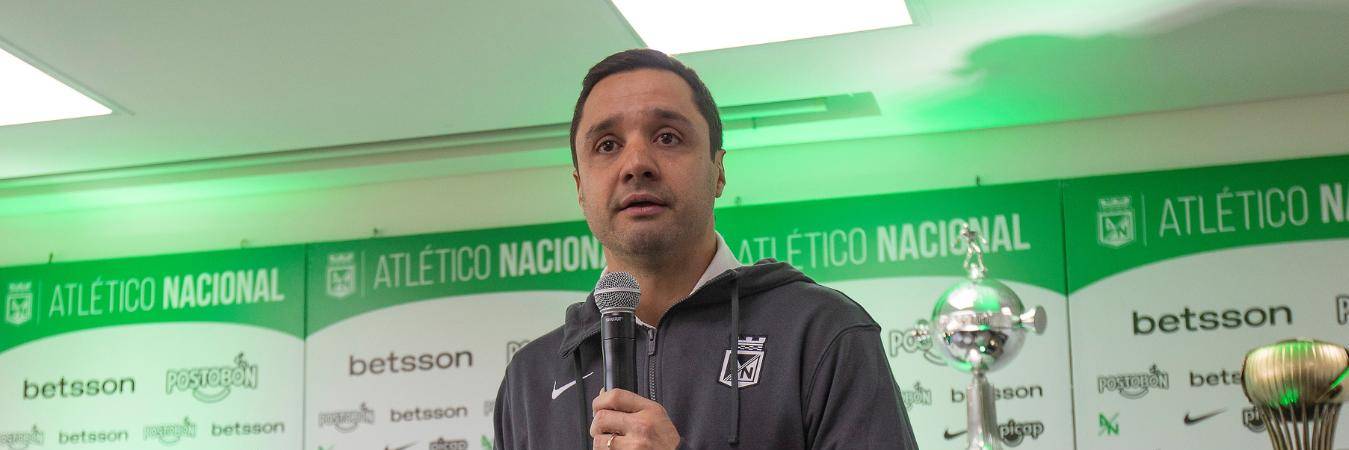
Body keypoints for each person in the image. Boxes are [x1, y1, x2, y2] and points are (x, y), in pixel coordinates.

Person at [493, 48, 918, 450]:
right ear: (580, 188)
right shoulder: (530, 378)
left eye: (667, 137)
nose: (636, 163)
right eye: (607, 145)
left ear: (718, 171)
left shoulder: (821, 331)